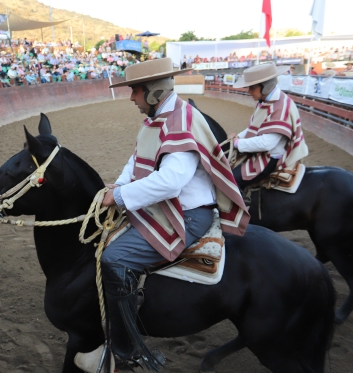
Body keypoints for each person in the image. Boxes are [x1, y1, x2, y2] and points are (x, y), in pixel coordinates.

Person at [74, 58, 249, 373]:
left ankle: (124, 352)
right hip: (166, 206)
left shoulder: (179, 121)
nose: (131, 98)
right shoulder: (161, 117)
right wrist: (120, 185)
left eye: (134, 91)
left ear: (153, 92)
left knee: (113, 259)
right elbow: (138, 157)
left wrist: (122, 196)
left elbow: (171, 182)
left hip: (186, 216)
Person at [229, 62, 309, 190]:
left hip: (271, 158)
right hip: (264, 152)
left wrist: (238, 143)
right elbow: (254, 128)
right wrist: (238, 137)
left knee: (231, 181)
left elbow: (266, 143)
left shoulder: (281, 106)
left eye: (252, 87)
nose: (249, 91)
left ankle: (241, 209)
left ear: (266, 87)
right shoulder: (267, 101)